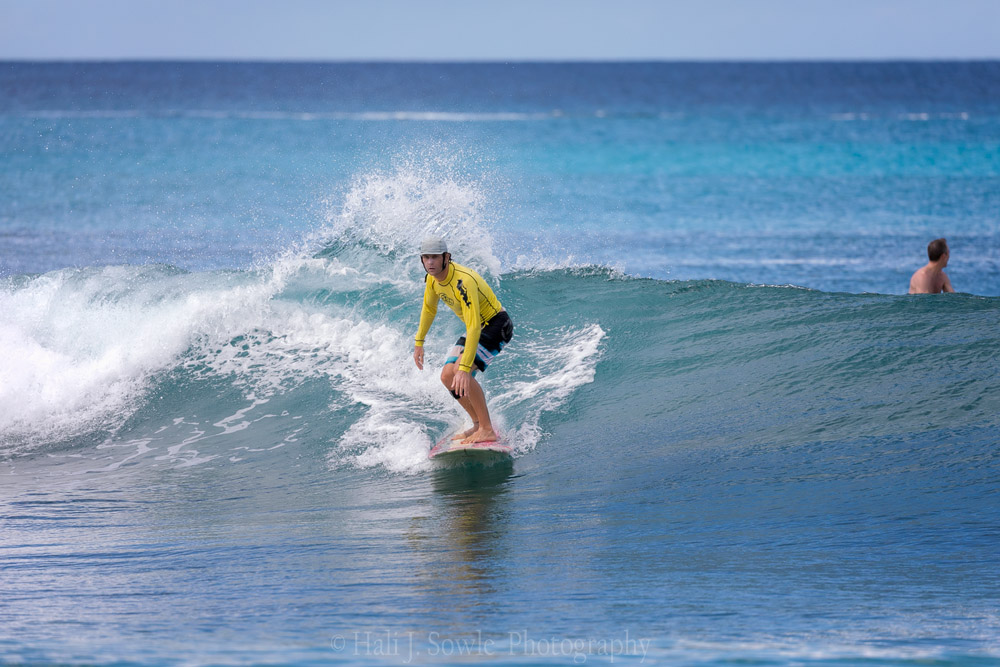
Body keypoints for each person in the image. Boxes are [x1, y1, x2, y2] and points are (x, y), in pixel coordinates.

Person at [412, 237, 514, 444]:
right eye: (426, 257)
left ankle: (487, 429)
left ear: (446, 257)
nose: (430, 262)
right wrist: (419, 342)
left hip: (496, 325)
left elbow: (474, 325)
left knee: (461, 370)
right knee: (447, 376)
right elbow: (429, 309)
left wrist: (466, 367)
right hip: (477, 327)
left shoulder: (463, 281)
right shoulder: (432, 280)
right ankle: (477, 423)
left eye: (434, 257)